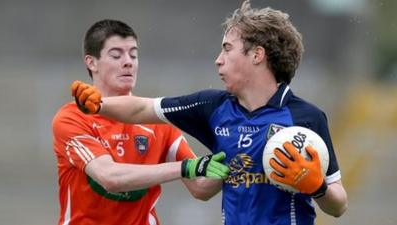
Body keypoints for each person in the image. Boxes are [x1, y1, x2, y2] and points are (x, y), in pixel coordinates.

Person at [71, 1, 348, 224]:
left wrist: (318, 188)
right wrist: (99, 105)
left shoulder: (305, 118)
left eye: (227, 49)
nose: (218, 59)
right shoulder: (213, 107)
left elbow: (338, 205)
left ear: (257, 55)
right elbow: (144, 107)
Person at [52, 19, 229, 225]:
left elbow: (200, 187)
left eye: (133, 55)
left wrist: (236, 153)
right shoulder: (71, 118)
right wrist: (185, 167)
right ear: (91, 62)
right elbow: (110, 177)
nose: (128, 62)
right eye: (116, 55)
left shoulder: (156, 121)